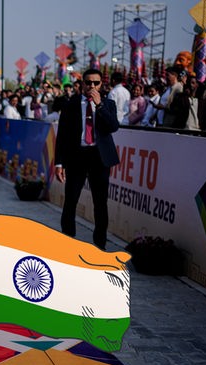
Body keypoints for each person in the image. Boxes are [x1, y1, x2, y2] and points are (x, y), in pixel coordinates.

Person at [54, 69, 119, 250]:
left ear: (101, 84)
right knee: (70, 201)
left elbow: (113, 126)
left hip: (99, 158)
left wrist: (100, 106)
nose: (92, 86)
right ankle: (67, 243)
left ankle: (100, 245)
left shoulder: (108, 104)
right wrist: (59, 162)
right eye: (88, 83)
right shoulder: (70, 104)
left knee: (100, 203)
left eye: (96, 83)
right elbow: (63, 136)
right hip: (77, 157)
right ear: (82, 83)